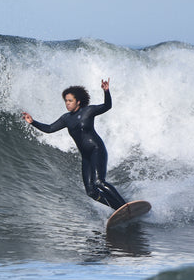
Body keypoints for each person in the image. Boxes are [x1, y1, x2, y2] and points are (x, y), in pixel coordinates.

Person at [21, 79, 127, 210]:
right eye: (66, 100)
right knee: (91, 191)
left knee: (99, 182)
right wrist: (32, 122)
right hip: (86, 156)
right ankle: (118, 208)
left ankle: (125, 205)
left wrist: (106, 91)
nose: (67, 103)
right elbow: (49, 129)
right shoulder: (66, 118)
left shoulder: (88, 111)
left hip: (96, 149)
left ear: (78, 101)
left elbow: (107, 106)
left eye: (70, 100)